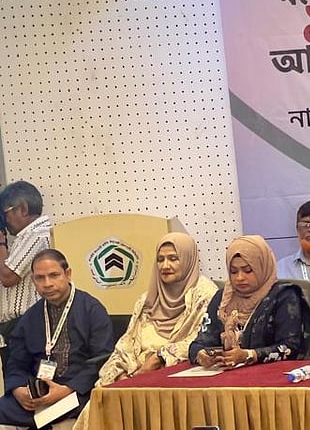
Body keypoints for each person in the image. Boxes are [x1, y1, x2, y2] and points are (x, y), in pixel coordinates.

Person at [75, 233, 218, 429]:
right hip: (136, 377)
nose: (165, 265)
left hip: (176, 382)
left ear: (188, 259)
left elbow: (201, 341)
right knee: (101, 405)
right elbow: (126, 344)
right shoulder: (147, 299)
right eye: (160, 259)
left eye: (173, 258)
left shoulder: (205, 295)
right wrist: (121, 376)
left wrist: (160, 357)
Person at [0, 249, 113, 428]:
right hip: (37, 395)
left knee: (74, 412)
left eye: (54, 275)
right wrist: (18, 390)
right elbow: (16, 362)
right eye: (40, 278)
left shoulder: (92, 310)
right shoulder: (30, 317)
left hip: (76, 392)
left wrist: (67, 390)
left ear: (67, 274)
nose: (47, 284)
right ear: (33, 281)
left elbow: (102, 360)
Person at [189, 235, 310, 368]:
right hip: (226, 374)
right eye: (233, 272)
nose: (240, 277)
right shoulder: (223, 299)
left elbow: (291, 347)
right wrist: (201, 354)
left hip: (271, 373)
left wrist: (250, 355)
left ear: (262, 267)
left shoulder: (284, 296)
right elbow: (199, 343)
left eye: (248, 270)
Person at [0, 181, 52, 355]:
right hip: (18, 326)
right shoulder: (25, 237)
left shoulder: (37, 234)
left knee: (23, 371)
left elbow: (8, 277)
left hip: (27, 324)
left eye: (5, 213)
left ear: (22, 208)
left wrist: (0, 242)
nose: (5, 221)